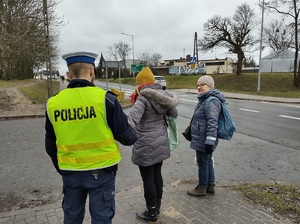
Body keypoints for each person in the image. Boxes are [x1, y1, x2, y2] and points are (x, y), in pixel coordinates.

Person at [45, 51, 137, 224]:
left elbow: (50, 145)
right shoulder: (105, 100)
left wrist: (63, 168)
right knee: (101, 218)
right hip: (102, 172)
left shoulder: (53, 103)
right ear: (92, 71)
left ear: (68, 74)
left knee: (71, 218)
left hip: (70, 173)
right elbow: (127, 137)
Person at [127, 67, 178, 223]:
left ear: (141, 84)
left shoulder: (142, 98)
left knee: (148, 178)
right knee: (157, 175)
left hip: (145, 143)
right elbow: (174, 114)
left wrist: (123, 133)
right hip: (160, 140)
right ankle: (157, 206)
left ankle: (151, 212)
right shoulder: (163, 96)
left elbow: (131, 119)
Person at [187, 75, 224, 197]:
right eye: (198, 85)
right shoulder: (205, 99)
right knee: (207, 161)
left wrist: (209, 141)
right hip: (203, 137)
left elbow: (212, 123)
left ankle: (202, 187)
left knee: (202, 162)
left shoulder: (211, 101)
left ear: (210, 86)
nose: (199, 87)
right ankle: (210, 186)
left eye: (203, 84)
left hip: (204, 138)